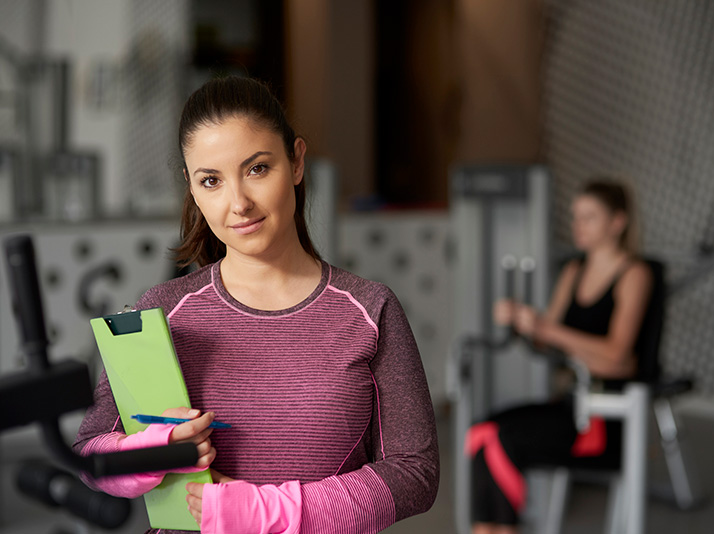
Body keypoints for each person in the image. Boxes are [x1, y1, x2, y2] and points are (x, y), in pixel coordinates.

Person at [73, 75, 439, 534]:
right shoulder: (163, 312)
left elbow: (415, 473)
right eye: (211, 180)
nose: (239, 203)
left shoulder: (369, 309)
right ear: (192, 188)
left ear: (297, 160)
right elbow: (91, 456)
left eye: (257, 169)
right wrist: (155, 448)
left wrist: (265, 512)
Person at [467, 180, 654, 534]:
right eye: (575, 217)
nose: (577, 226)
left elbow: (617, 357)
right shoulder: (573, 271)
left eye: (589, 217)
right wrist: (523, 322)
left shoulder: (635, 274)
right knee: (481, 432)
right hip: (573, 403)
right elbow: (546, 342)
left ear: (618, 222)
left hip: (605, 421)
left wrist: (545, 329)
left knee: (504, 440)